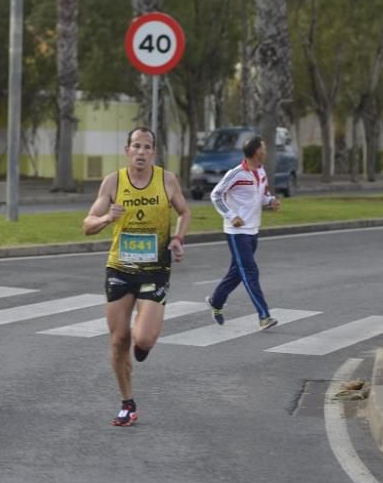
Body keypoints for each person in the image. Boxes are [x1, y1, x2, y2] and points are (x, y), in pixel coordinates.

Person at [83, 127, 191, 427]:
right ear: (127, 150)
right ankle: (127, 403)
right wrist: (107, 218)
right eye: (136, 146)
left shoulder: (166, 180)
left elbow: (184, 212)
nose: (141, 152)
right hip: (119, 268)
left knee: (142, 339)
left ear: (153, 152)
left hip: (154, 270)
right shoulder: (113, 182)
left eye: (147, 147)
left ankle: (143, 346)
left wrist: (179, 238)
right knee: (119, 340)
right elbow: (88, 224)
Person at [205, 135, 281, 330]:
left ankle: (216, 301)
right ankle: (264, 315)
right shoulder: (236, 173)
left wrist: (270, 202)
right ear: (257, 152)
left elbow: (262, 196)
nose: (266, 151)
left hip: (253, 229)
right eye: (264, 147)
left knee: (237, 273)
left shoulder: (261, 171)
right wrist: (231, 216)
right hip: (236, 232)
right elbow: (216, 195)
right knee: (250, 271)